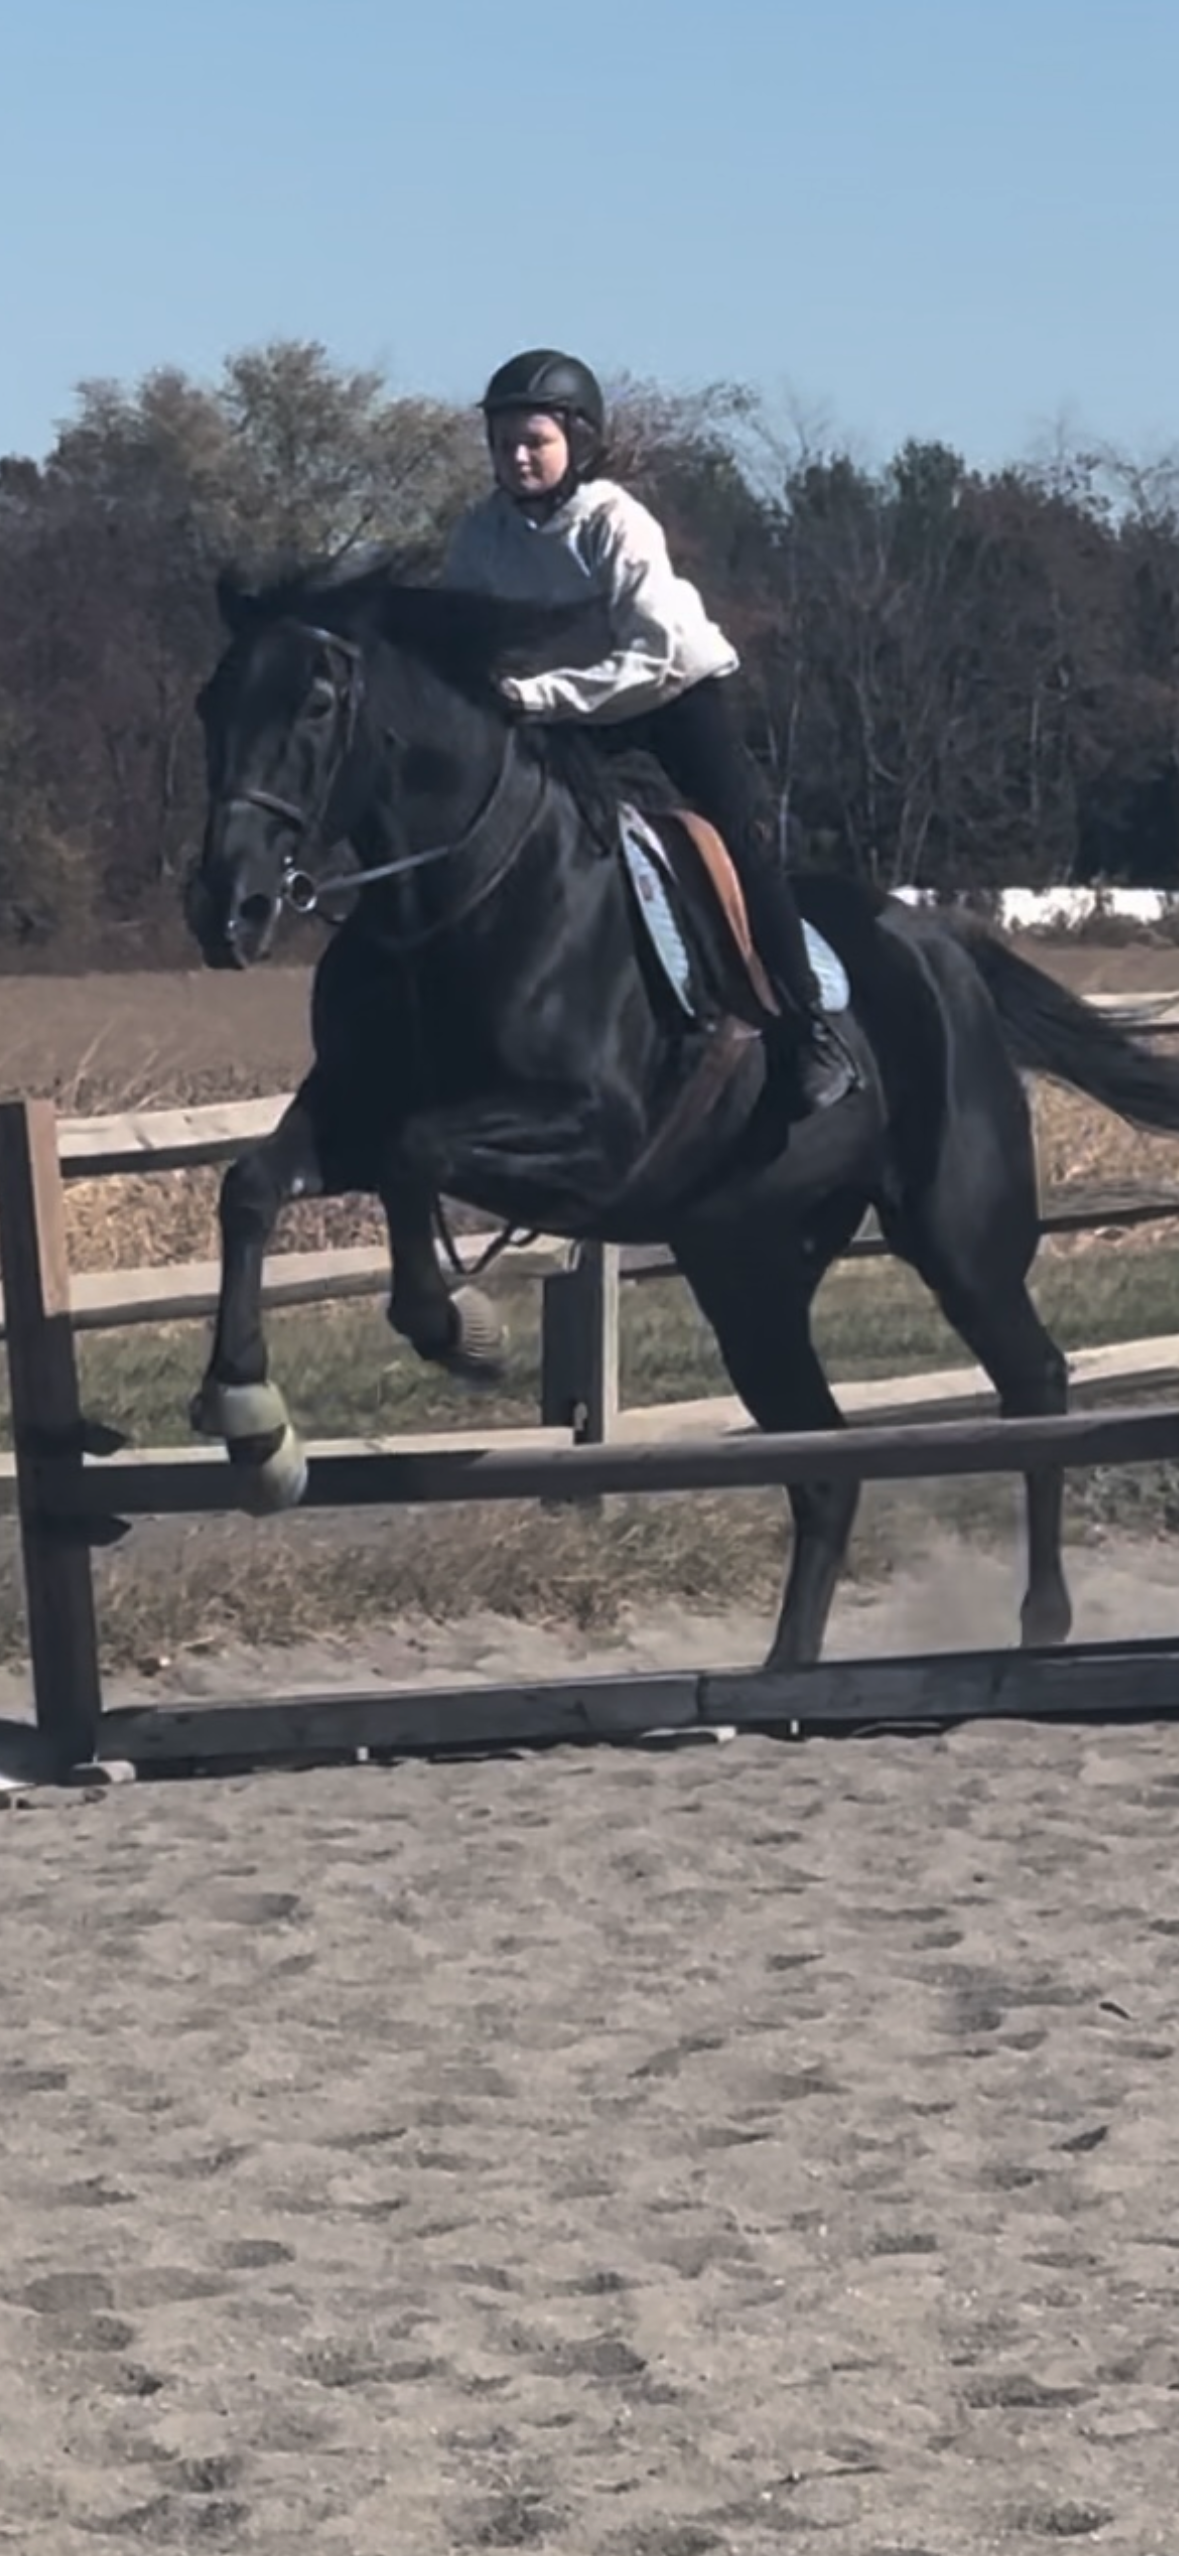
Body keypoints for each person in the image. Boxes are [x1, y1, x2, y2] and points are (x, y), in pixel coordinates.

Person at [440, 347, 857, 1111]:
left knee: (742, 840)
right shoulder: (479, 535)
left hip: (669, 699)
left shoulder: (614, 522)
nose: (518, 456)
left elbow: (652, 656)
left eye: (534, 441)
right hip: (560, 709)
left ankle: (808, 1031)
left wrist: (536, 695)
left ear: (579, 444)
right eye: (504, 444)